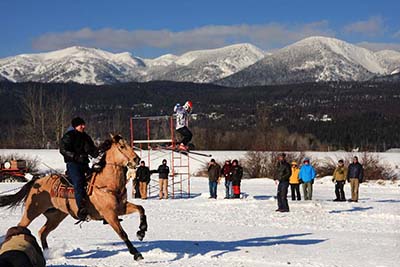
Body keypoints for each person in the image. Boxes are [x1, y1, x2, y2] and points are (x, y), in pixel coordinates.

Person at [60, 117, 98, 220]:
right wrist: (75, 156)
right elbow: (63, 149)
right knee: (79, 182)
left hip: (84, 164)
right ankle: (81, 209)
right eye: (81, 125)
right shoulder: (69, 136)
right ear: (75, 126)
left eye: (83, 124)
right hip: (73, 164)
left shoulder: (86, 137)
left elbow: (93, 151)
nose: (83, 126)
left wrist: (102, 148)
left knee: (96, 179)